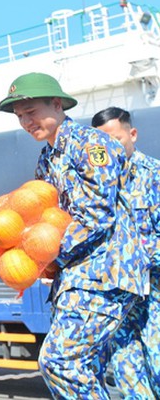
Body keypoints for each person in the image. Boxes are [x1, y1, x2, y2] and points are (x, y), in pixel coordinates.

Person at [0, 72, 149, 398]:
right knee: (125, 373)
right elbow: (45, 218)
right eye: (20, 116)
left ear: (57, 103)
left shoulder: (92, 144)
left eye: (31, 111)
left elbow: (97, 214)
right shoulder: (47, 159)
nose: (26, 121)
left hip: (106, 273)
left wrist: (42, 251)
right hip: (78, 276)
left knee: (61, 362)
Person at [92, 107, 160, 397]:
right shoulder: (94, 186)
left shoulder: (155, 176)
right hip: (117, 298)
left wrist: (133, 257)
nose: (110, 150)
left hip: (155, 292)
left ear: (132, 134)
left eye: (116, 140)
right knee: (127, 374)